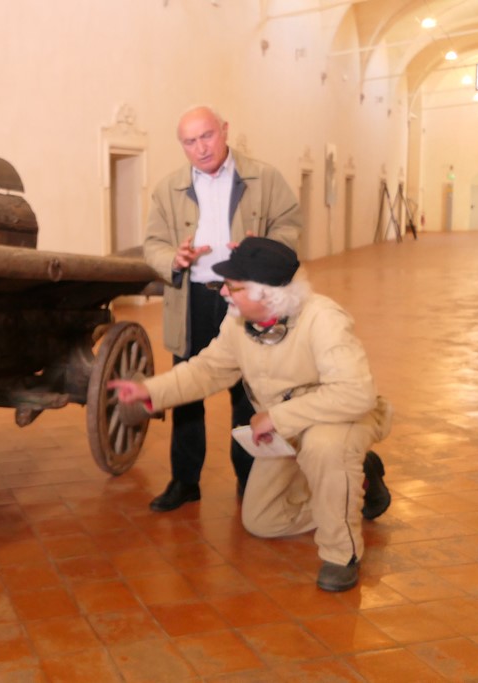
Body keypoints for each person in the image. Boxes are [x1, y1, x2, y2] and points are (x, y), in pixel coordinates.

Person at [110, 237, 392, 591]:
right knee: (262, 520)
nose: (225, 293)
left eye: (235, 286)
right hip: (285, 424)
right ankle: (356, 482)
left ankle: (340, 554)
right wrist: (151, 390)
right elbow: (208, 370)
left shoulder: (323, 319)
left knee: (324, 448)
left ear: (267, 294)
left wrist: (276, 418)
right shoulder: (238, 322)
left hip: (339, 416)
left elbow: (356, 394)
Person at [143, 105, 302, 512]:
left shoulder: (264, 178)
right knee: (187, 391)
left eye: (207, 136)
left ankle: (249, 480)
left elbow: (290, 225)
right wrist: (173, 259)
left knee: (246, 392)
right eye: (190, 141)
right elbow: (154, 244)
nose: (200, 148)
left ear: (225, 131)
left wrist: (261, 249)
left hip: (244, 299)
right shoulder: (167, 188)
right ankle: (184, 481)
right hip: (193, 300)